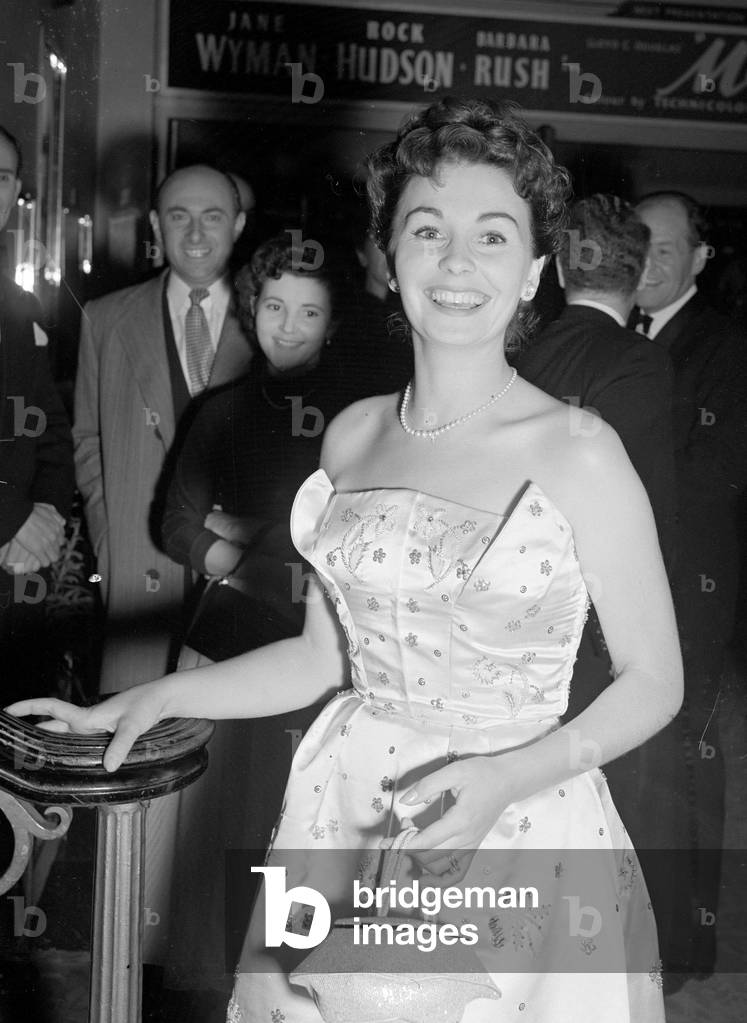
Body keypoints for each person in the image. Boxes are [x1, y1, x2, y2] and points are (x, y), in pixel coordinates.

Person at [10, 99, 682, 1023]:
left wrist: (508, 778)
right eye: (427, 229)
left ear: (534, 270)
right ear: (388, 256)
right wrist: (149, 698)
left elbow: (655, 681)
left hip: (516, 820)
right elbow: (321, 659)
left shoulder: (580, 449)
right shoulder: (353, 436)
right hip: (344, 806)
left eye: (492, 236)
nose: (456, 261)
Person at [150, 233, 357, 1000]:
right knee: (215, 835)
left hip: (325, 658)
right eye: (274, 306)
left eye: (309, 311)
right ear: (252, 309)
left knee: (296, 831)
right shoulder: (222, 411)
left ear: (332, 322)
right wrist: (244, 556)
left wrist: (251, 537)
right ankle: (202, 993)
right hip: (228, 645)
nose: (289, 326)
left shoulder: (361, 417)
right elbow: (175, 521)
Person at [74, 164, 252, 695]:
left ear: (238, 225)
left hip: (239, 564)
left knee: (225, 724)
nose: (195, 233)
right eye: (179, 216)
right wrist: (110, 541)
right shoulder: (105, 319)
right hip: (138, 567)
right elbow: (88, 441)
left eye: (212, 217)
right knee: (134, 722)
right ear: (155, 224)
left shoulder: (272, 319)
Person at [632, 191, 747, 977]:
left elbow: (715, 475)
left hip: (690, 588)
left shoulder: (725, 348)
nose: (645, 262)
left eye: (665, 248)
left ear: (701, 259)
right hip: (633, 583)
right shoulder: (620, 333)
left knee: (684, 757)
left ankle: (682, 947)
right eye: (635, 244)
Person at [0, 125, 74, 703]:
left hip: (19, 572)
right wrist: (11, 519)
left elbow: (49, 426)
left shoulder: (19, 303)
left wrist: (44, 516)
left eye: (1, 178)